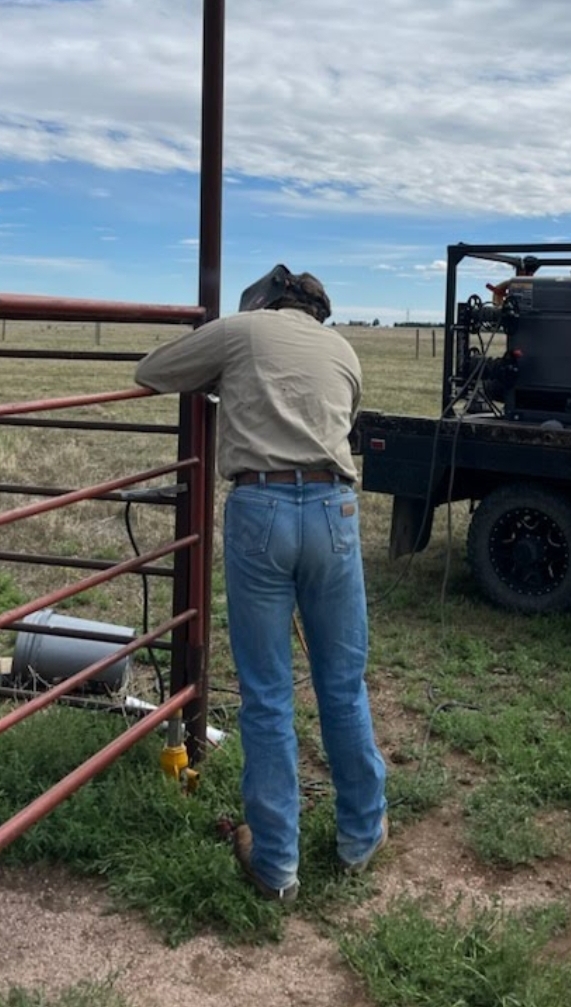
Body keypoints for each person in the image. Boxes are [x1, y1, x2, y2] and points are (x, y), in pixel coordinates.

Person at [134, 265, 388, 904]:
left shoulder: (241, 331)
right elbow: (339, 418)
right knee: (342, 681)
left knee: (268, 693)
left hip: (262, 507)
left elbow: (154, 370)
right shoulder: (344, 349)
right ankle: (362, 837)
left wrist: (224, 383)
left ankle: (276, 866)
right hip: (335, 510)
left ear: (266, 300)